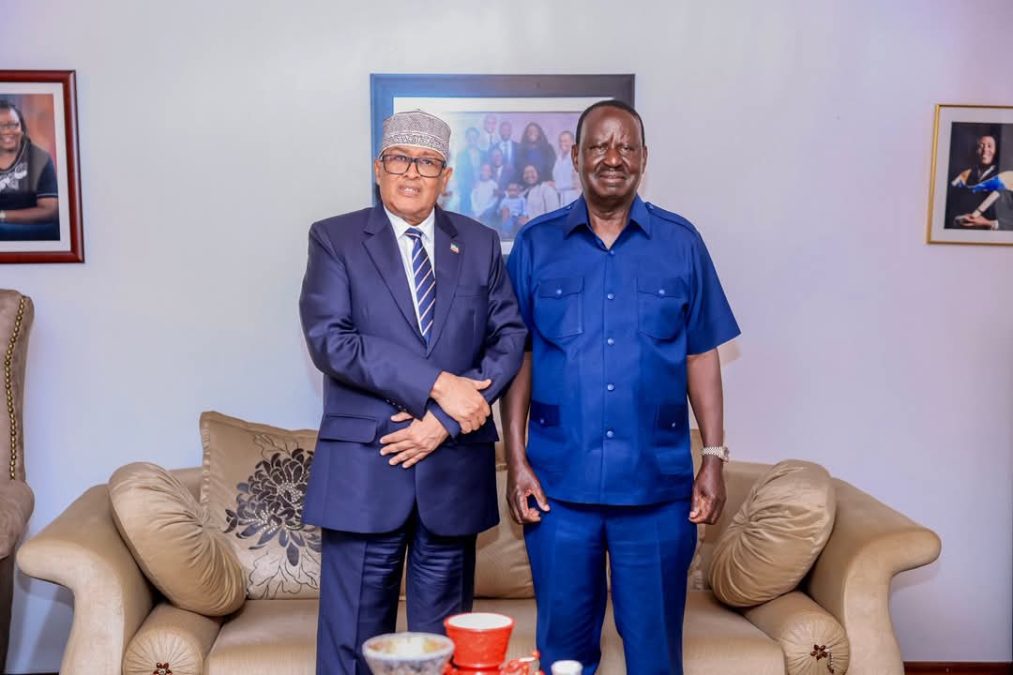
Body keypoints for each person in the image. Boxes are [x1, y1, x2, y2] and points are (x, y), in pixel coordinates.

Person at [502, 100, 740, 674]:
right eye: (599, 146)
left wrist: (712, 456)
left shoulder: (681, 244)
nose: (613, 158)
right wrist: (515, 461)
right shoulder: (535, 245)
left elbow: (701, 355)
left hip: (656, 491)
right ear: (577, 156)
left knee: (655, 655)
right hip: (559, 492)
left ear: (643, 159)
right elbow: (519, 361)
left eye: (626, 147)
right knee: (562, 654)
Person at [299, 109, 527, 674]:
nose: (411, 173)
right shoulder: (335, 238)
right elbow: (331, 340)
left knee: (445, 653)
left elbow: (510, 336)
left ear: (445, 175)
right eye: (399, 159)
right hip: (364, 473)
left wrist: (442, 423)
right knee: (352, 649)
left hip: (451, 470)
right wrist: (436, 384)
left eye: (426, 162)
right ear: (379, 168)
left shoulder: (477, 244)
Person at [0, 100, 59, 241]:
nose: (8, 131)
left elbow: (50, 210)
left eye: (14, 125)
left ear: (22, 127)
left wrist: (2, 216)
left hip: (31, 229)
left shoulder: (39, 158)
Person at [948, 132, 1007, 229]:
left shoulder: (1005, 178)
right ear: (975, 150)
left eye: (989, 146)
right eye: (981, 146)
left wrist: (988, 223)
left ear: (997, 150)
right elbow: (951, 206)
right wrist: (958, 219)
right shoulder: (964, 176)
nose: (985, 150)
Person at [454, 126, 486, 217]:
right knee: (466, 215)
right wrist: (468, 184)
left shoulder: (484, 154)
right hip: (466, 189)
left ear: (477, 138)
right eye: (470, 137)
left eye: (474, 137)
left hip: (482, 188)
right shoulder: (461, 155)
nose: (472, 139)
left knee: (481, 215)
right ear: (467, 138)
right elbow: (459, 173)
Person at [551, 130, 580, 205]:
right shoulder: (559, 158)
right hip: (559, 197)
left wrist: (556, 185)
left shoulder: (577, 158)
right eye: (560, 141)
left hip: (573, 197)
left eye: (565, 141)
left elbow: (578, 183)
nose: (562, 143)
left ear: (573, 142)